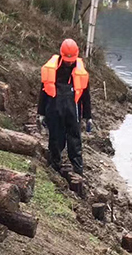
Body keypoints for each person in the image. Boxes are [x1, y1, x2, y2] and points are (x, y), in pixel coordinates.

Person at [37, 39, 92, 176]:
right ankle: (54, 166)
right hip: (54, 110)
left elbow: (86, 95)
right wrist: (41, 113)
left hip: (73, 111)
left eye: (71, 60)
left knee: (75, 140)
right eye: (67, 60)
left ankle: (78, 169)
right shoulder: (51, 69)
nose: (69, 62)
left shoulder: (81, 72)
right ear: (61, 54)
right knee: (56, 138)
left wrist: (88, 116)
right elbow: (43, 92)